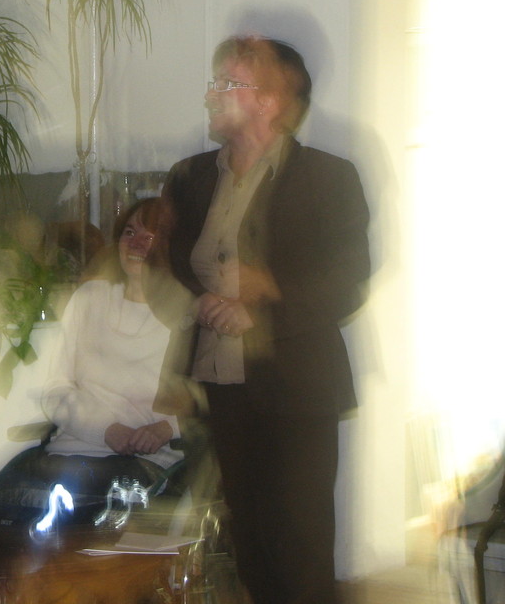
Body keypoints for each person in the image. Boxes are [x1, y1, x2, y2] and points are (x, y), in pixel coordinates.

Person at [155, 35, 370, 603]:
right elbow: (172, 261)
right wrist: (200, 300)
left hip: (296, 387)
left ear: (271, 100)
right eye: (215, 81)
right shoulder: (189, 176)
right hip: (217, 388)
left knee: (299, 547)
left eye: (228, 83)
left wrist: (264, 297)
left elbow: (346, 279)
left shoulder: (328, 178)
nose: (212, 94)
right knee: (246, 543)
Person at [0, 198, 185, 504]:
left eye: (150, 236)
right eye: (129, 232)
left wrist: (166, 428)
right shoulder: (90, 297)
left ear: (171, 246)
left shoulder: (186, 313)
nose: (136, 244)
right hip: (67, 453)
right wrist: (107, 430)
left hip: (144, 464)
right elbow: (55, 391)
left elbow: (205, 408)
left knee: (46, 510)